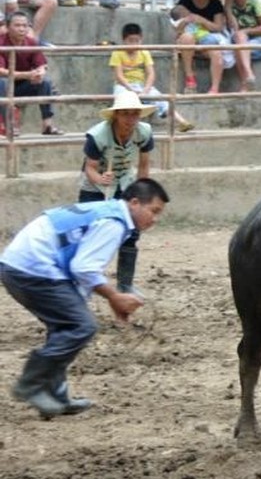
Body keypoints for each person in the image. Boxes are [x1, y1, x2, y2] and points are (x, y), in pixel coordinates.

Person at [1, 178, 170, 417]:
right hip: (33, 268)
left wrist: (92, 301)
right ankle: (31, 383)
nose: (155, 219)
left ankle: (55, 397)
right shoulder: (114, 222)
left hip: (20, 264)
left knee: (65, 327)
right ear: (134, 202)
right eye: (153, 211)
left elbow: (77, 269)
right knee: (82, 326)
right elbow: (84, 268)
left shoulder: (105, 212)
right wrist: (114, 296)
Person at [109, 23, 193, 131]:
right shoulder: (117, 53)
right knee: (120, 101)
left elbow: (151, 73)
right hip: (124, 85)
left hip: (142, 85)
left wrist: (146, 89)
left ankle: (182, 122)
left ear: (141, 39)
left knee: (160, 99)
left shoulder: (144, 52)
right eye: (131, 41)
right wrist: (131, 90)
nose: (134, 44)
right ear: (124, 40)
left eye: (137, 41)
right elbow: (119, 76)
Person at [0, 12, 63, 136]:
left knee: (45, 82)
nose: (22, 29)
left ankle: (47, 125)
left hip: (22, 86)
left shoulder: (31, 42)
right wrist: (27, 75)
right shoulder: (1, 43)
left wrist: (40, 73)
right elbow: (0, 71)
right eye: (17, 25)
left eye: (25, 25)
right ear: (7, 27)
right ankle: (9, 126)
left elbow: (42, 64)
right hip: (3, 87)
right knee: (3, 82)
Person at [173, 0, 237, 94]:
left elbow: (218, 27)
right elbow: (177, 28)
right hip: (188, 40)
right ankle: (190, 77)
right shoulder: (185, 1)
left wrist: (202, 20)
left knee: (216, 53)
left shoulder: (215, 3)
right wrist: (185, 21)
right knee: (187, 37)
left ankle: (214, 88)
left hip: (207, 38)